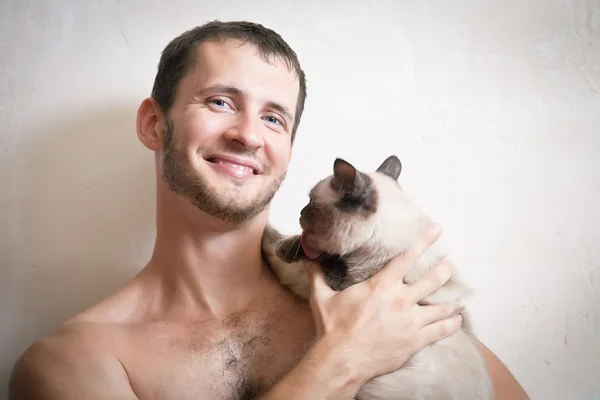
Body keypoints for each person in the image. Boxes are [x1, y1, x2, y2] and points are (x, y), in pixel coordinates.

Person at [8, 20, 530, 400]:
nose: (248, 135)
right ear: (153, 124)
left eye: (275, 118)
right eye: (219, 102)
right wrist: (339, 364)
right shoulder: (77, 362)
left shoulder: (388, 303)